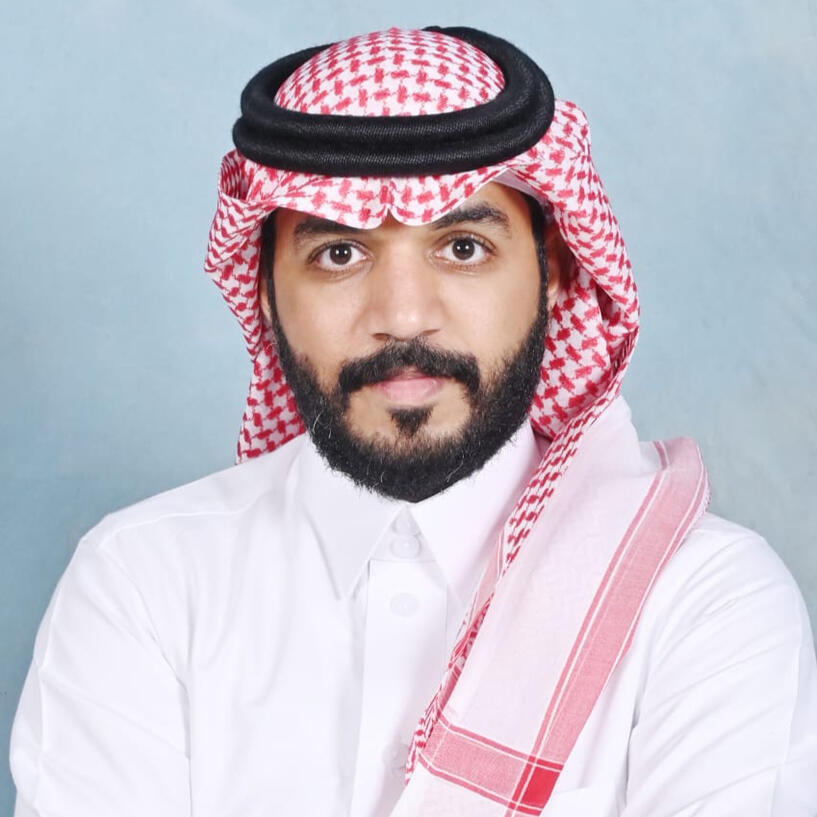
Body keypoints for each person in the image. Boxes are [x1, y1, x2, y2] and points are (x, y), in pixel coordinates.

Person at [9, 25, 817, 817]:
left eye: (462, 247)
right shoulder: (143, 585)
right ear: (263, 290)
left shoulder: (700, 602)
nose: (402, 316)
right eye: (339, 253)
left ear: (555, 268)